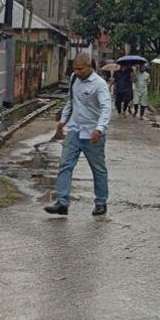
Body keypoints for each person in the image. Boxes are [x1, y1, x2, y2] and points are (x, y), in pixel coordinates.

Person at [46, 53, 112, 217]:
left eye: (80, 69)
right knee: (65, 165)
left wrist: (100, 129)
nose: (77, 72)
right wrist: (63, 121)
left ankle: (101, 202)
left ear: (90, 66)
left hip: (92, 133)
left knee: (98, 169)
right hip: (75, 131)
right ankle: (62, 202)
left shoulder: (100, 85)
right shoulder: (74, 79)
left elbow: (106, 108)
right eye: (74, 69)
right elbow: (70, 100)